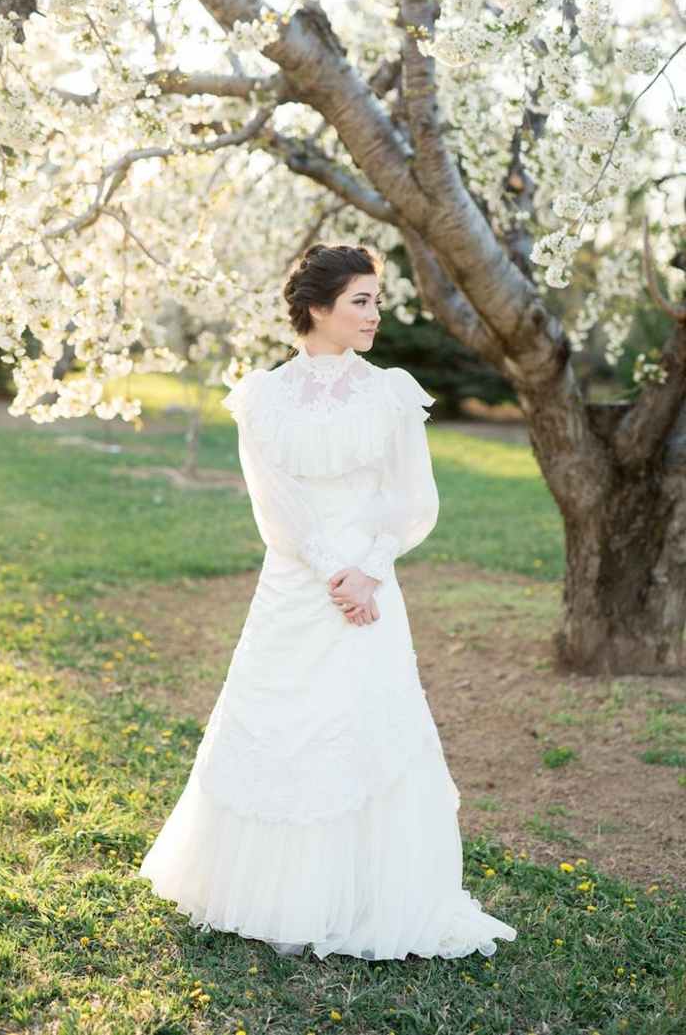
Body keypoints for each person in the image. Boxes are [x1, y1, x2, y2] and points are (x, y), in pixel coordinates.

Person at [137, 243, 518, 961]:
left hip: (370, 587)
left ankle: (367, 892)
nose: (377, 313)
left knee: (366, 722)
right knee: (277, 724)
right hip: (295, 582)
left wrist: (369, 571)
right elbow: (273, 506)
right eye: (361, 301)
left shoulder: (392, 393)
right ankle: (267, 891)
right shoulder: (261, 397)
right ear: (318, 308)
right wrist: (329, 572)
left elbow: (414, 499)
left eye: (377, 300)